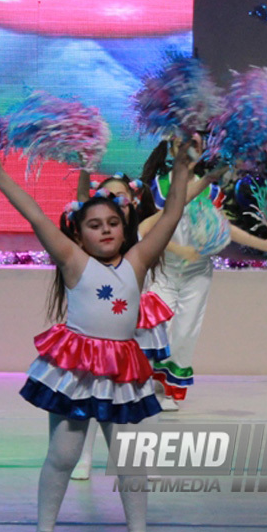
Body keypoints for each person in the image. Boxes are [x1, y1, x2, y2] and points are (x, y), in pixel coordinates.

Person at [0, 143, 192, 532]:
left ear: (124, 227)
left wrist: (182, 169)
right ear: (78, 233)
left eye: (113, 222)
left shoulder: (137, 261)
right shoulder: (72, 260)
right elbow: (35, 214)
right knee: (63, 455)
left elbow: (171, 216)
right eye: (94, 225)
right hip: (76, 370)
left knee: (130, 460)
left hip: (121, 372)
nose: (106, 230)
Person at [140, 139, 267, 407]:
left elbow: (222, 226)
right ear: (172, 150)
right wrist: (179, 250)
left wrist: (264, 243)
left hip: (198, 272)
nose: (190, 150)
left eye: (195, 145)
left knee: (186, 331)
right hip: (164, 269)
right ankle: (146, 382)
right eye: (182, 145)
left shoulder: (212, 190)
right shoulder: (160, 187)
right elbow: (149, 229)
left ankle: (172, 391)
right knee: (156, 326)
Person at [70, 170, 174, 480]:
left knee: (143, 391)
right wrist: (84, 168)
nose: (115, 204)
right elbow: (80, 205)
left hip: (138, 323)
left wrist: (201, 176)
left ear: (132, 203)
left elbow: (176, 207)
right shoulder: (93, 242)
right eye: (106, 199)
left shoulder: (142, 233)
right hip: (100, 328)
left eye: (121, 199)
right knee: (90, 390)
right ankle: (84, 456)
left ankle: (142, 457)